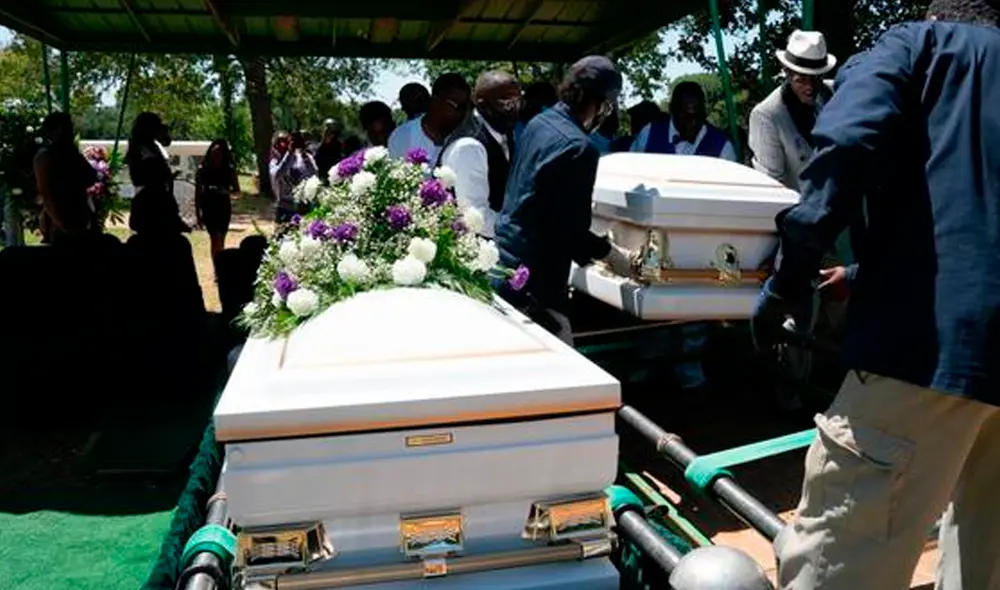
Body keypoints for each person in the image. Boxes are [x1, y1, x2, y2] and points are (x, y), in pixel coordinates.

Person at [752, 2, 1000, 588]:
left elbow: (845, 147)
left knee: (840, 562)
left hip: (925, 348)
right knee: (985, 563)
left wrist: (788, 280)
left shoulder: (915, 46)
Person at [494, 56, 637, 345]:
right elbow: (568, 232)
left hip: (505, 263)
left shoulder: (539, 123)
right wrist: (611, 254)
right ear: (598, 102)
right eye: (608, 105)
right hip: (537, 286)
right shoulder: (578, 148)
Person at [748, 30, 836, 191]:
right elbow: (772, 187)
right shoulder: (767, 116)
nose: (810, 87)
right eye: (801, 79)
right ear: (786, 72)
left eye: (816, 78)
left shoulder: (837, 93)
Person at [438, 71, 521, 239]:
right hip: (474, 251)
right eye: (504, 101)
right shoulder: (469, 146)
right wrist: (521, 233)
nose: (514, 108)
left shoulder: (504, 133)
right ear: (481, 103)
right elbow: (475, 217)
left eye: (518, 100)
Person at [33, 113, 98, 245]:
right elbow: (46, 193)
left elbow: (91, 177)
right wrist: (61, 223)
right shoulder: (45, 156)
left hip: (78, 216)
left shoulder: (71, 154)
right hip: (59, 221)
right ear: (57, 130)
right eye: (68, 129)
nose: (71, 133)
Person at [630, 81, 737, 161]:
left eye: (698, 116)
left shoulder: (722, 147)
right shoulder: (649, 134)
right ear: (671, 109)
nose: (693, 123)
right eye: (687, 117)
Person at [126, 112, 189, 236]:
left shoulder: (153, 147)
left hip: (160, 199)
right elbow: (138, 178)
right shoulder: (138, 148)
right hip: (149, 203)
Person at [387, 73, 472, 163]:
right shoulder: (402, 136)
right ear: (436, 101)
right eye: (456, 106)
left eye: (466, 107)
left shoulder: (466, 138)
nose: (462, 113)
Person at [195, 139, 240, 263]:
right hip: (208, 206)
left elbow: (237, 191)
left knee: (221, 238)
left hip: (223, 206)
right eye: (214, 153)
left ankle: (220, 266)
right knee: (214, 237)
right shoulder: (202, 169)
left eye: (219, 153)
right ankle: (217, 267)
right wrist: (198, 215)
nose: (216, 156)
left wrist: (225, 192)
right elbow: (197, 194)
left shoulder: (229, 170)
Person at [269, 130, 317, 224]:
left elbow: (313, 174)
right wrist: (289, 153)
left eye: (286, 141)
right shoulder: (274, 162)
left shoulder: (302, 158)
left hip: (302, 207)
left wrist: (304, 153)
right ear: (274, 146)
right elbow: (278, 174)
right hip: (284, 207)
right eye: (279, 142)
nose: (283, 145)